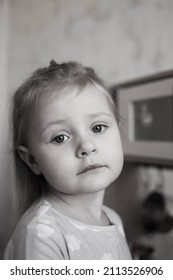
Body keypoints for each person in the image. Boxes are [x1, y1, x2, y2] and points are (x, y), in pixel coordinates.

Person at [4, 60, 131, 260]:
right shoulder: (41, 236)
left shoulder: (113, 219)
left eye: (97, 128)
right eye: (60, 137)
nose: (87, 146)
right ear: (32, 160)